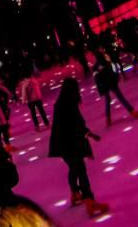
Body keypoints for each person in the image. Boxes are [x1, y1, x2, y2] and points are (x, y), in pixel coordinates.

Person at [49, 77, 108, 217]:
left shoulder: (60, 103)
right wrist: (90, 134)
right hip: (70, 144)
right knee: (81, 171)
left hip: (61, 145)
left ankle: (75, 193)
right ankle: (90, 202)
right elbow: (77, 124)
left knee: (74, 168)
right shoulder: (70, 103)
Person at [93, 52, 138, 125]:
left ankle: (108, 118)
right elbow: (113, 72)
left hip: (104, 85)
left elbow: (96, 78)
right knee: (121, 98)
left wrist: (100, 87)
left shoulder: (95, 67)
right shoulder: (107, 63)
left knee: (107, 100)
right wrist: (116, 78)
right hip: (112, 83)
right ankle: (132, 112)